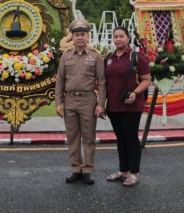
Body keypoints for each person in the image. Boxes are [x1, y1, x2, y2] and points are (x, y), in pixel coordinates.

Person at [55, 19, 106, 185]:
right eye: (76, 35)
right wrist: (58, 103)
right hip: (69, 100)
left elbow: (102, 81)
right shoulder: (66, 56)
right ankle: (76, 168)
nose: (80, 38)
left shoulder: (96, 56)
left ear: (87, 36)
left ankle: (88, 169)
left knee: (89, 137)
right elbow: (60, 81)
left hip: (88, 100)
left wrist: (101, 104)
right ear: (72, 37)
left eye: (83, 34)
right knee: (72, 136)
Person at [105, 26, 151, 187]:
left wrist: (135, 92)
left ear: (128, 37)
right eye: (115, 36)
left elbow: (146, 79)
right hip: (113, 106)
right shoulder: (109, 57)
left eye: (121, 36)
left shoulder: (136, 57)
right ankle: (123, 171)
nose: (118, 39)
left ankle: (134, 173)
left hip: (131, 105)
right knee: (120, 139)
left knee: (131, 139)